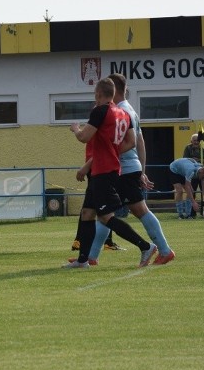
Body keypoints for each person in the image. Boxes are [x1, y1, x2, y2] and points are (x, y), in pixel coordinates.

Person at [73, 74, 175, 266]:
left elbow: (110, 145)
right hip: (127, 167)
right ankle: (90, 257)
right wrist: (142, 170)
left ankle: (162, 249)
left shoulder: (113, 111)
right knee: (101, 212)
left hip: (121, 168)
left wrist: (88, 164)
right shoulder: (130, 111)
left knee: (138, 210)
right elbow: (139, 141)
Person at [182, 131, 204, 217]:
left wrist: (197, 160)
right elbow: (185, 160)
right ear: (191, 141)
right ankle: (192, 213)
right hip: (193, 175)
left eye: (197, 140)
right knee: (192, 192)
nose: (196, 142)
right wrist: (193, 160)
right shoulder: (187, 148)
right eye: (194, 140)